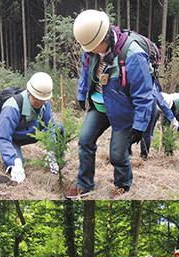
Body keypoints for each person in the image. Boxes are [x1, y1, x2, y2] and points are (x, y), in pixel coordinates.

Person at [67, 9, 157, 199]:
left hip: (123, 112)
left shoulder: (133, 55)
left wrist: (140, 126)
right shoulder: (90, 50)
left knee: (116, 154)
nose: (89, 51)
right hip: (99, 107)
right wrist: (82, 95)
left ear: (105, 38)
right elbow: (85, 74)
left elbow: (144, 96)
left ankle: (122, 184)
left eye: (92, 47)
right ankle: (85, 185)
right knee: (85, 142)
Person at [0, 72, 63, 183]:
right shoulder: (11, 107)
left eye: (43, 100)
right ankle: (11, 161)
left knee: (59, 127)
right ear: (28, 91)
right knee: (19, 167)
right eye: (36, 99)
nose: (40, 103)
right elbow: (3, 137)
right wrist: (13, 162)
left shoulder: (45, 103)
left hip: (32, 133)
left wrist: (51, 151)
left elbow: (49, 127)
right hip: (13, 138)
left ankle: (58, 160)